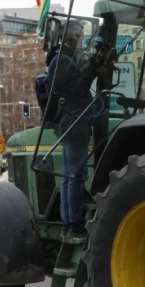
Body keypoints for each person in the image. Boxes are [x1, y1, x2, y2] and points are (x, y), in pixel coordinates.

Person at [48, 21, 103, 239]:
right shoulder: (63, 60)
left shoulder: (63, 58)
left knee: (68, 175)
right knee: (75, 175)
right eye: (80, 35)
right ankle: (74, 223)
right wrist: (91, 68)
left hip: (70, 123)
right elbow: (77, 88)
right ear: (73, 36)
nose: (81, 39)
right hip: (74, 123)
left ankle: (68, 223)